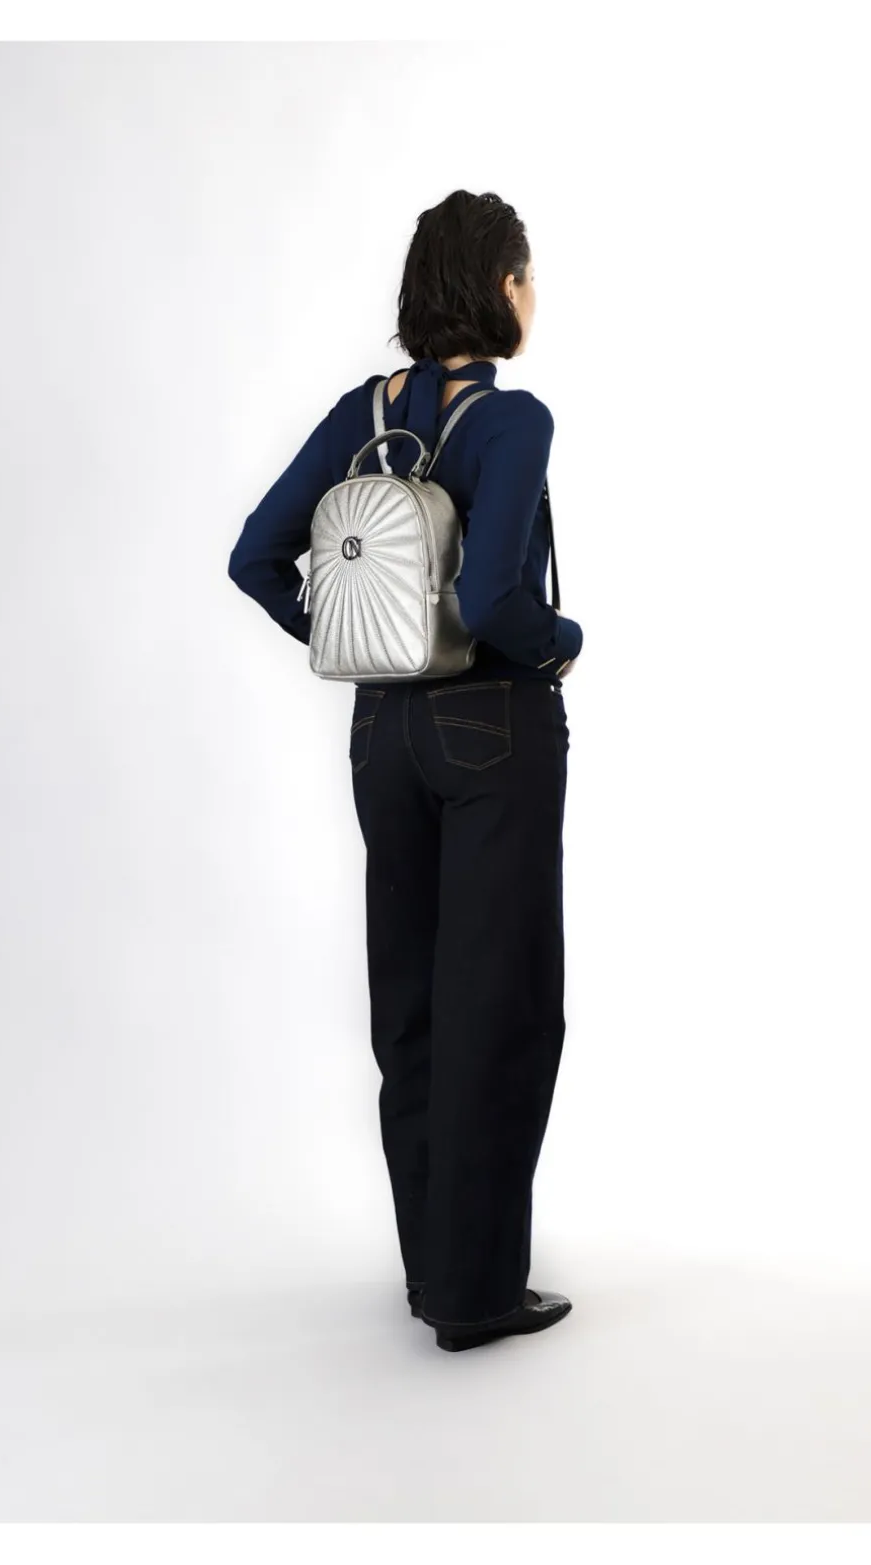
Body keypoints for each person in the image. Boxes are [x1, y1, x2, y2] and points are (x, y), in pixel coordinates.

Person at [227, 189, 582, 1352]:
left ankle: (433, 1267)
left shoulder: (358, 413)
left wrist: (347, 637)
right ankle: (476, 1294)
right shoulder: (509, 420)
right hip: (493, 727)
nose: (533, 295)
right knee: (503, 1003)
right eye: (527, 277)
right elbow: (491, 597)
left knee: (414, 1004)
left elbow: (254, 556)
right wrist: (559, 641)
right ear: (501, 287)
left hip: (380, 730)